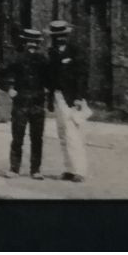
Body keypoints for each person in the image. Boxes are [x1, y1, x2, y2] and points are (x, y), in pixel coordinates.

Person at [0, 28, 52, 179]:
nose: (32, 45)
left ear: (39, 44)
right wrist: (8, 89)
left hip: (38, 103)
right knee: (18, 137)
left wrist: (47, 89)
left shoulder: (43, 60)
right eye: (30, 42)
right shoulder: (15, 59)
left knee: (37, 138)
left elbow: (51, 78)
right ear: (24, 42)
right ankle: (14, 169)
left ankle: (36, 170)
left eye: (36, 43)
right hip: (21, 102)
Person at [46, 20, 90, 182]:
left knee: (73, 134)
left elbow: (82, 75)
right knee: (62, 133)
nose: (59, 39)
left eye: (62, 36)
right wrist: (50, 99)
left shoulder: (75, 51)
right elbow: (50, 77)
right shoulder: (52, 52)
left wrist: (79, 97)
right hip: (57, 96)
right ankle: (68, 169)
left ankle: (80, 170)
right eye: (56, 36)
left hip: (71, 98)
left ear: (67, 36)